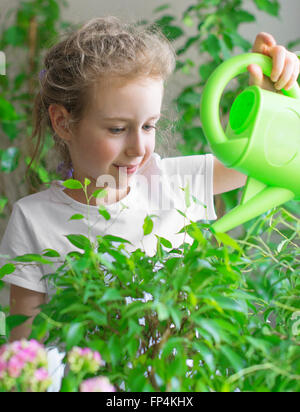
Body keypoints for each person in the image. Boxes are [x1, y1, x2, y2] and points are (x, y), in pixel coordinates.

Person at [0, 16, 299, 391]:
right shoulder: (34, 219)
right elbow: (25, 363)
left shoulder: (173, 182)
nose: (139, 148)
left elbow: (270, 158)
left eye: (149, 126)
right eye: (116, 128)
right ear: (62, 122)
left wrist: (270, 96)